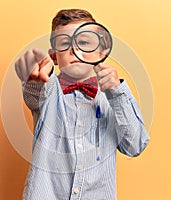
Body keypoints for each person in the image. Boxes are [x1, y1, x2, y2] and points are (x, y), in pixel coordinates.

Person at [15, 8, 150, 200]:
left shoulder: (114, 100)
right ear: (54, 57)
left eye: (84, 42)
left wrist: (117, 93)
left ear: (100, 52)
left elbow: (135, 146)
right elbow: (34, 93)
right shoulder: (49, 90)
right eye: (64, 43)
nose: (74, 50)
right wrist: (33, 77)